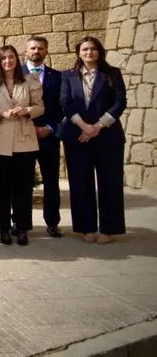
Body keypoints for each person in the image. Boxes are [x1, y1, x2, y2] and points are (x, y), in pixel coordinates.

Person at [61, 36, 127, 244]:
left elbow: (120, 102)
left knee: (110, 182)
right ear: (78, 53)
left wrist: (97, 126)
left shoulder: (112, 74)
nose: (89, 52)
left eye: (93, 49)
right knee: (81, 182)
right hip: (78, 136)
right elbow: (65, 102)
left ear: (100, 52)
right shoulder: (68, 76)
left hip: (108, 136)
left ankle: (108, 229)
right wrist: (84, 126)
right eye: (85, 49)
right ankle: (86, 227)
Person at [0, 45, 44, 246]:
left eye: (11, 57)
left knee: (23, 189)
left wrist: (27, 110)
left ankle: (22, 227)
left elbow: (40, 107)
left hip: (24, 141)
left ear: (17, 60)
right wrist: (1, 114)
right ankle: (3, 228)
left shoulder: (29, 81)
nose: (7, 61)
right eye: (3, 58)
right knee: (1, 189)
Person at [22, 36, 65, 238]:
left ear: (46, 51)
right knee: (22, 181)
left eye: (40, 48)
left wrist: (49, 126)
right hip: (22, 136)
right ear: (25, 51)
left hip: (48, 136)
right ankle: (22, 224)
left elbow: (61, 106)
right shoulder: (14, 74)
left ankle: (53, 223)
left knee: (51, 181)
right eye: (32, 48)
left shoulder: (58, 77)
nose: (36, 51)